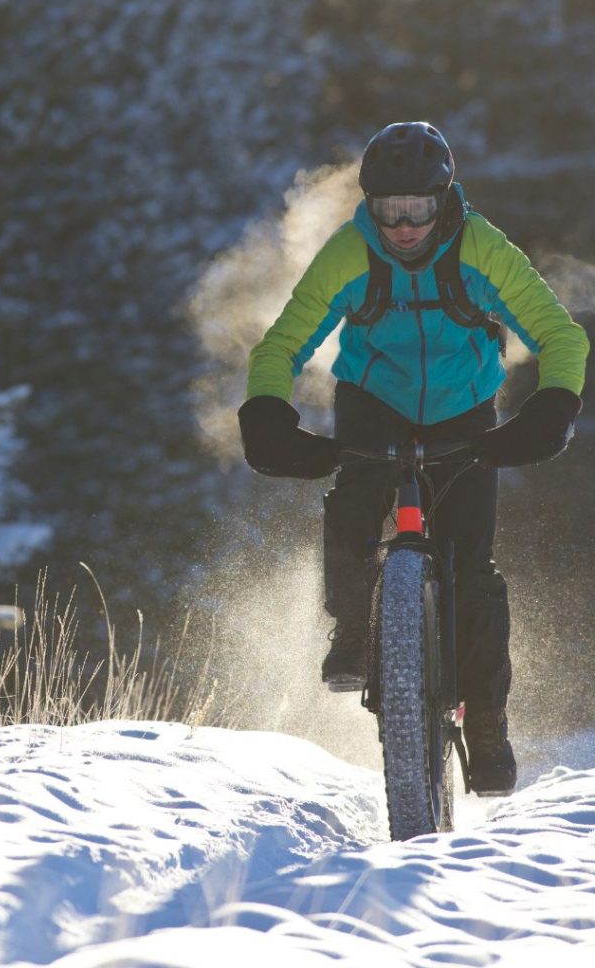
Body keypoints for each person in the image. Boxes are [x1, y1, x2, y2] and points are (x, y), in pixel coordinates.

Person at [237, 121, 589, 796]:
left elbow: (559, 335)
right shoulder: (349, 254)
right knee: (354, 504)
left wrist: (549, 411)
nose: (402, 227)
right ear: (369, 205)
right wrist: (268, 417)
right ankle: (351, 625)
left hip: (463, 408)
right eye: (388, 210)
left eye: (418, 210)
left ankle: (486, 718)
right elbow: (279, 347)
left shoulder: (481, 248)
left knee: (472, 566)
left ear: (445, 199)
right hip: (375, 399)